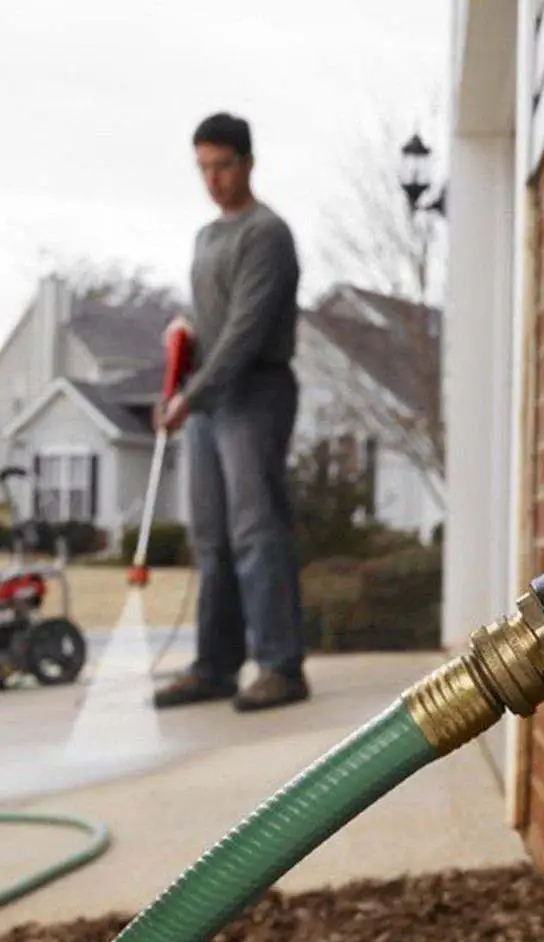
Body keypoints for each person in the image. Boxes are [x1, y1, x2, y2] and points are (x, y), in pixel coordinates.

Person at [153, 112, 309, 713]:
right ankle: (215, 668)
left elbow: (245, 331)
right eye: (203, 168)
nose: (213, 180)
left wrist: (190, 396)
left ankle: (280, 666)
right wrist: (185, 333)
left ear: (247, 163)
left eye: (222, 166)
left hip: (255, 393)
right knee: (212, 537)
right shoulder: (205, 237)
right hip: (208, 399)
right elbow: (214, 318)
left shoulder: (267, 234)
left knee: (255, 531)